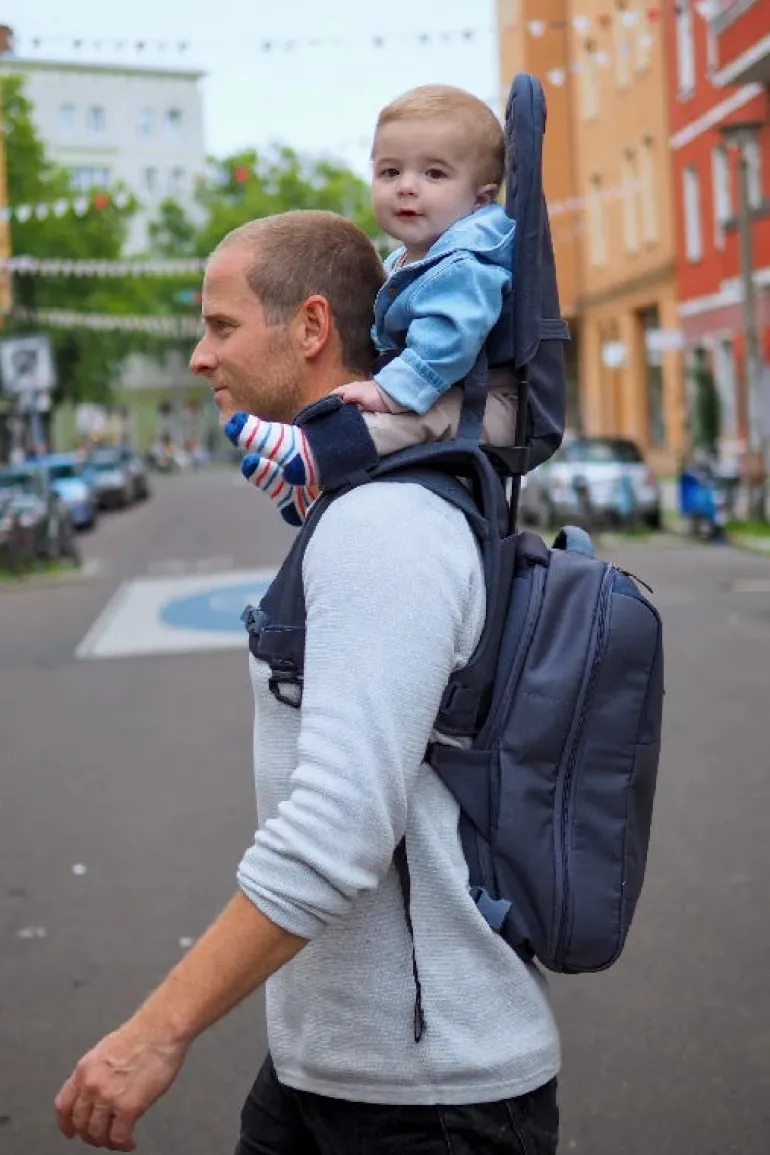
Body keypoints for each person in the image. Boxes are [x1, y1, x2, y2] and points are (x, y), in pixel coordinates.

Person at [55, 209, 560, 1154]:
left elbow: (338, 827)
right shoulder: (357, 504)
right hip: (335, 1065)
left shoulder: (385, 526)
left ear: (313, 327)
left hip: (425, 1100)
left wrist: (154, 1032)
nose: (200, 356)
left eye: (221, 325)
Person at [222, 84, 518, 525]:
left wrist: (387, 391)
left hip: (491, 404)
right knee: (374, 407)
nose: (407, 187)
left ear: (480, 199)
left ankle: (316, 451)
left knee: (401, 417)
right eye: (390, 172)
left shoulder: (468, 264)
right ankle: (309, 489)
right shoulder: (406, 261)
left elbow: (452, 336)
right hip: (452, 393)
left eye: (434, 174)